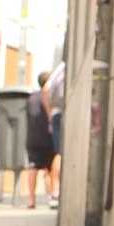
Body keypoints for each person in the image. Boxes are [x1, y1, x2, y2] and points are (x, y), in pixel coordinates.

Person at [24, 70, 57, 209]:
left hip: (32, 137)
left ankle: (31, 199)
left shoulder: (30, 98)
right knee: (50, 168)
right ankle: (52, 196)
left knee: (33, 167)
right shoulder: (50, 96)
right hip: (48, 137)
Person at [43, 60, 65, 209]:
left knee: (60, 153)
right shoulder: (64, 67)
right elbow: (46, 88)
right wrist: (50, 113)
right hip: (60, 113)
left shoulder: (62, 67)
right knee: (60, 153)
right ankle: (55, 191)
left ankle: (55, 191)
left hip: (58, 113)